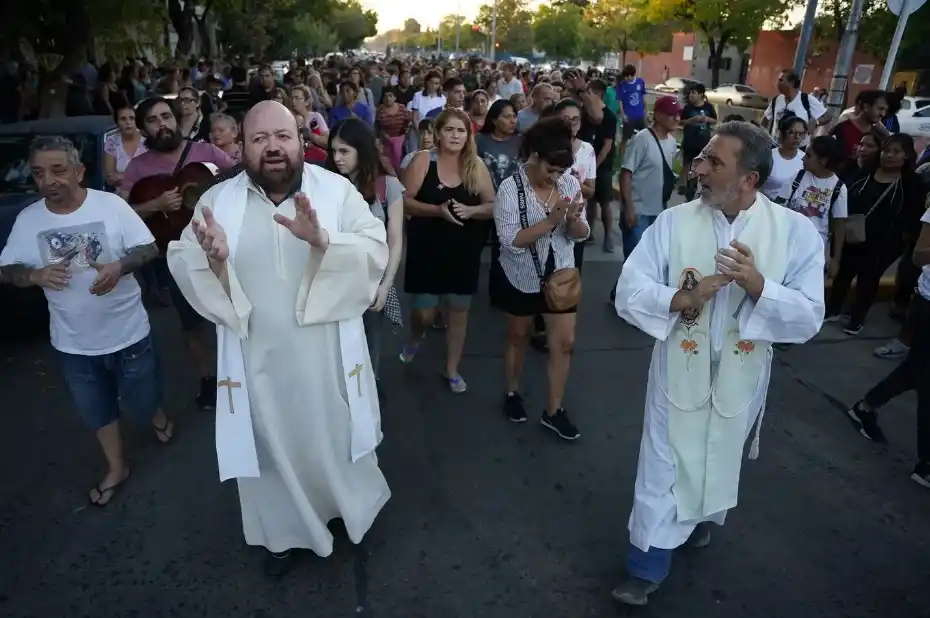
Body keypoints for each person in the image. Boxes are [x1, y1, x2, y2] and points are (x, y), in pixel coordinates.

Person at [165, 101, 391, 577]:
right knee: (270, 451)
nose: (273, 147)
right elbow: (183, 256)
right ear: (242, 147)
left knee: (332, 439)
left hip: (326, 355)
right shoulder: (217, 202)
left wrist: (329, 243)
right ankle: (283, 534)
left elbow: (375, 246)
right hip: (256, 359)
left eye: (283, 136)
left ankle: (344, 514)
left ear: (301, 141)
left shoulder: (336, 191)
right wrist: (214, 261)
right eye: (260, 138)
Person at [612, 121, 826, 606]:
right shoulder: (674, 222)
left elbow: (810, 315)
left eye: (713, 162)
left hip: (739, 377)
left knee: (717, 452)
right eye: (701, 158)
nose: (699, 168)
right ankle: (646, 566)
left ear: (748, 178)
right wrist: (681, 296)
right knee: (663, 465)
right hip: (677, 375)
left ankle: (699, 519)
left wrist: (757, 285)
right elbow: (629, 289)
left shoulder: (794, 232)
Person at [0, 136, 169, 507]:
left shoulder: (110, 206)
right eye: (39, 173)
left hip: (129, 334)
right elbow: (7, 268)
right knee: (96, 411)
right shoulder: (29, 220)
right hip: (73, 344)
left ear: (79, 171)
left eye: (58, 171)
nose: (49, 181)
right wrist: (35, 276)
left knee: (142, 400)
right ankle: (117, 467)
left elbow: (149, 247)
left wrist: (119, 265)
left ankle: (155, 415)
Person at [121, 97, 236, 411]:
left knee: (236, 312)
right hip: (176, 255)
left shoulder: (205, 152)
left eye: (166, 117)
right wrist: (154, 207)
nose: (162, 125)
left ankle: (243, 373)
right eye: (153, 120)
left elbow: (241, 179)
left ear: (176, 119)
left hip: (221, 250)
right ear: (144, 128)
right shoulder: (137, 168)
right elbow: (120, 213)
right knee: (191, 322)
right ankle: (209, 379)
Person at [490, 117, 588, 438]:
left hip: (561, 275)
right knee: (518, 336)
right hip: (520, 275)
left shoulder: (570, 185)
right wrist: (552, 220)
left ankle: (554, 410)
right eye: (551, 169)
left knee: (565, 343)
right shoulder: (510, 188)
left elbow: (581, 233)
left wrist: (572, 221)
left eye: (561, 171)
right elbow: (510, 240)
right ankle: (512, 391)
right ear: (534, 155)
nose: (556, 176)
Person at [399, 109, 496, 392]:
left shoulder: (475, 166)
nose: (455, 136)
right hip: (427, 246)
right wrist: (437, 211)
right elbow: (403, 201)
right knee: (424, 313)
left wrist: (472, 209)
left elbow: (493, 204)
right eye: (450, 130)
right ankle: (416, 337)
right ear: (439, 133)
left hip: (463, 248)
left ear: (468, 136)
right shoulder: (422, 161)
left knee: (459, 310)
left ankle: (452, 369)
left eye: (461, 131)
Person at [326, 118, 405, 393]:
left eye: (344, 151)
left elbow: (395, 241)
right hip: (333, 281)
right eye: (333, 151)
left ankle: (369, 388)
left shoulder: (387, 186)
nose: (337, 158)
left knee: (371, 337)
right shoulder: (326, 185)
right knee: (335, 342)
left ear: (361, 149)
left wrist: (385, 286)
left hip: (371, 280)